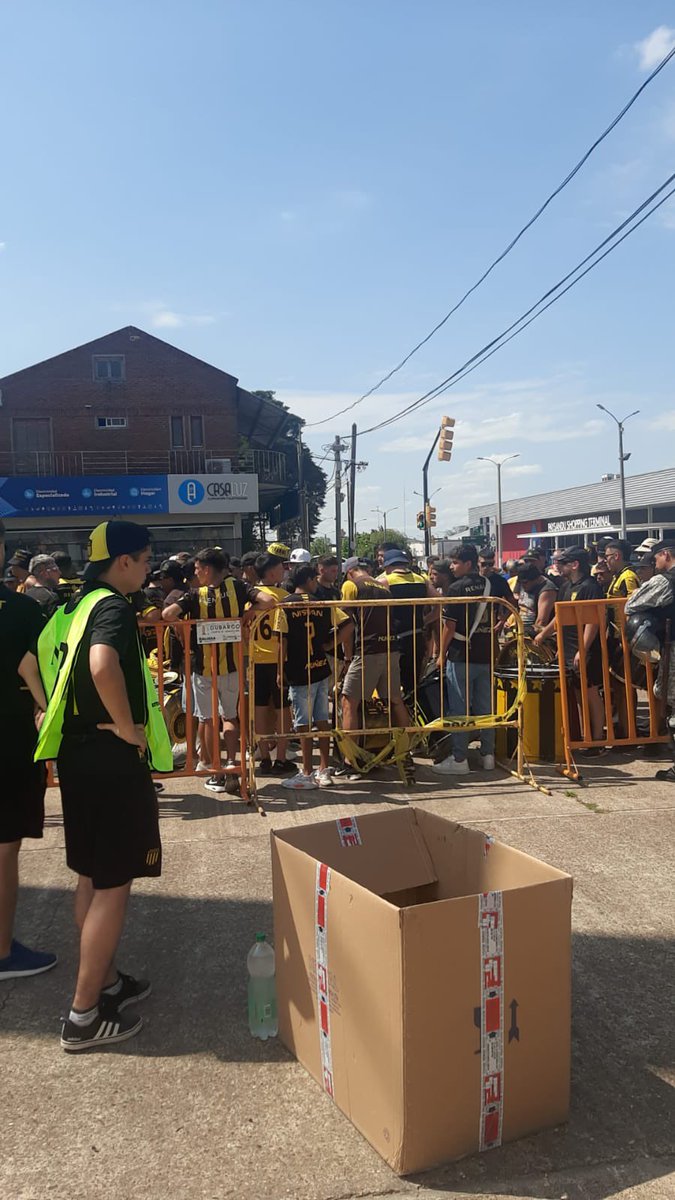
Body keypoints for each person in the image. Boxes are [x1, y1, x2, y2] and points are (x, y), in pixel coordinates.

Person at [35, 520, 173, 1050]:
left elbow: (41, 665)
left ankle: (107, 981)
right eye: (143, 559)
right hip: (111, 759)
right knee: (115, 883)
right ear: (122, 562)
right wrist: (126, 724)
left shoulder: (69, 607)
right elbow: (101, 665)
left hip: (75, 757)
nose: (146, 569)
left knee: (92, 875)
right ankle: (84, 1013)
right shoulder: (112, 606)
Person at [162, 548, 272, 794]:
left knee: (208, 719)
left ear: (207, 569)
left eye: (198, 568)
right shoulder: (238, 587)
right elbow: (268, 601)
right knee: (229, 717)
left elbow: (167, 614)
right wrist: (250, 612)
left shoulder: (194, 594)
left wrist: (184, 628)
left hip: (203, 668)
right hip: (232, 666)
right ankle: (233, 763)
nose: (196, 572)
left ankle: (216, 770)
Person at [0, 519, 56, 982]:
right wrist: (46, 710)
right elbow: (35, 671)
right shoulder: (18, 611)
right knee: (3, 847)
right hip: (8, 743)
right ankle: (1, 951)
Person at [273, 564, 351, 789]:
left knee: (303, 724)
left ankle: (306, 772)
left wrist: (280, 670)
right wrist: (330, 644)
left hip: (298, 671)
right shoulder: (322, 604)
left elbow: (282, 641)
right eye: (314, 579)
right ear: (308, 580)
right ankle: (323, 770)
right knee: (321, 720)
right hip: (319, 668)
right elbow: (348, 624)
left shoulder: (285, 606)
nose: (316, 583)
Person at [432, 545, 508, 776]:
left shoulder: (456, 588)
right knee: (486, 706)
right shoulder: (490, 583)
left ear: (467, 563)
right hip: (486, 651)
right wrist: (499, 624)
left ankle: (460, 758)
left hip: (460, 652)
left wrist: (440, 655)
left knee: (459, 708)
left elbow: (449, 626)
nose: (452, 567)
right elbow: (508, 605)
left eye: (455, 563)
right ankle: (488, 754)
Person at [339, 559, 409, 776]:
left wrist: (347, 655)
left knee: (349, 702)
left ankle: (351, 760)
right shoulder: (383, 587)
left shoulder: (351, 586)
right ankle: (405, 752)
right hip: (390, 647)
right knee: (395, 700)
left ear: (349, 572)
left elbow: (346, 622)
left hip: (367, 650)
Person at [535, 546, 605, 746]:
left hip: (585, 649)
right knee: (578, 694)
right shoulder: (566, 587)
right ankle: (585, 736)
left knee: (591, 693)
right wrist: (544, 634)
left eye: (563, 562)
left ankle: (598, 739)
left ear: (575, 565)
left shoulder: (590, 586)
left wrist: (582, 650)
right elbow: (560, 616)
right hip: (567, 649)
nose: (558, 566)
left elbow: (593, 621)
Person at [249, 553, 295, 777]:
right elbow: (284, 635)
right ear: (271, 573)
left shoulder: (251, 597)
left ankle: (264, 756)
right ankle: (282, 758)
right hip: (278, 660)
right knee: (283, 710)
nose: (284, 571)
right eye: (280, 568)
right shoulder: (283, 596)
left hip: (255, 659)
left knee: (258, 708)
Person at [380, 548, 433, 698]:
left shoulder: (385, 581)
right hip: (417, 636)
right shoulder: (422, 580)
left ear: (387, 566)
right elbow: (440, 603)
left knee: (392, 685)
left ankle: (398, 718)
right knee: (413, 683)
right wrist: (426, 619)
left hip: (394, 640)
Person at [513, 560, 557, 636]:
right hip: (520, 629)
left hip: (536, 633)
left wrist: (531, 635)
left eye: (525, 583)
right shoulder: (522, 583)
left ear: (537, 579)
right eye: (521, 582)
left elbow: (541, 622)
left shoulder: (547, 590)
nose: (523, 585)